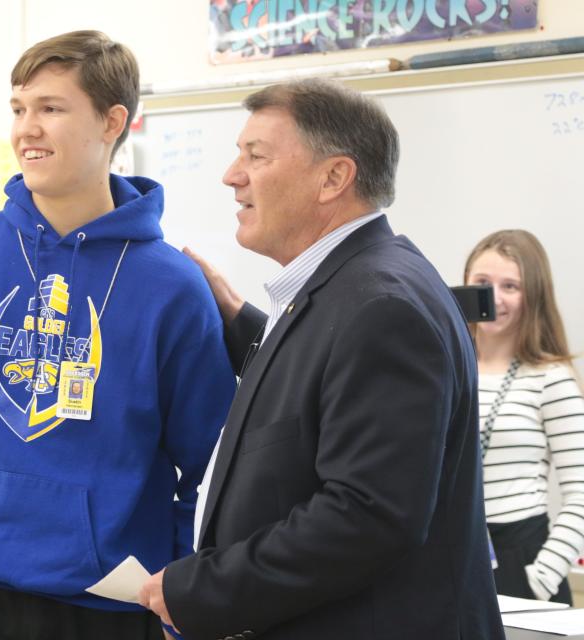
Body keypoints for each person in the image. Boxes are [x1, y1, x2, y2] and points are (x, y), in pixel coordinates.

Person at [0, 30, 234, 640]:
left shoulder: (171, 285)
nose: (26, 129)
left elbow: (211, 465)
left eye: (52, 109)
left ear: (112, 122)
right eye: (19, 109)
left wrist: (178, 592)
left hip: (102, 610)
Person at [138, 79, 505, 639]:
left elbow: (365, 518)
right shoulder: (358, 284)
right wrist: (239, 319)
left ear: (333, 178)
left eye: (254, 156)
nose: (231, 176)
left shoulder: (381, 308)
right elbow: (322, 380)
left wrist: (202, 591)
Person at [464, 229, 584, 604]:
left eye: (511, 286)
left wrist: (539, 578)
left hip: (521, 559)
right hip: (455, 552)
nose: (494, 298)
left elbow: (581, 494)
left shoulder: (552, 379)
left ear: (534, 294)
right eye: (482, 283)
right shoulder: (443, 370)